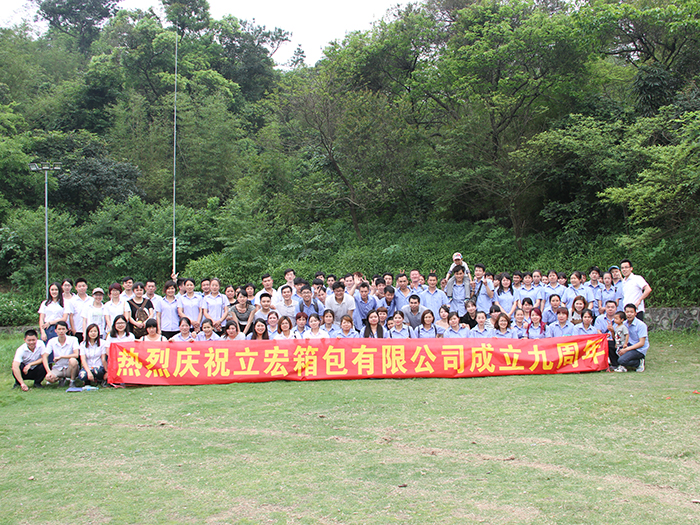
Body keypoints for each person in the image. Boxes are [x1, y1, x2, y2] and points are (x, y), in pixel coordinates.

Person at [614, 304, 649, 372]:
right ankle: (622, 365)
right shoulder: (624, 324)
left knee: (621, 360)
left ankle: (639, 363)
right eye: (627, 312)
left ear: (635, 313)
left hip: (639, 349)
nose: (629, 314)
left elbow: (641, 343)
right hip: (628, 345)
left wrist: (626, 349)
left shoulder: (641, 325)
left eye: (631, 312)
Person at [44, 321, 80, 388]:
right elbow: (45, 356)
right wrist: (48, 372)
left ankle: (72, 381)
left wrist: (61, 357)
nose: (61, 331)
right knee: (48, 378)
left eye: (63, 329)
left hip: (69, 368)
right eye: (59, 329)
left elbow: (76, 354)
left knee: (73, 361)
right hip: (58, 368)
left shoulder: (73, 339)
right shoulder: (52, 341)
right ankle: (60, 379)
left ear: (67, 330)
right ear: (55, 331)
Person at [595, 300, 620, 368]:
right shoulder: (599, 318)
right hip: (602, 340)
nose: (610, 309)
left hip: (616, 340)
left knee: (611, 344)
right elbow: (598, 331)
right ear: (605, 308)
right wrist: (604, 338)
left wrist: (612, 332)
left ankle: (615, 364)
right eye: (608, 307)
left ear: (616, 308)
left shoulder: (619, 319)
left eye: (612, 307)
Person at [68, 278, 91, 343]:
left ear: (86, 286)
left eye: (83, 286)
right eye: (79, 286)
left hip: (90, 330)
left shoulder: (91, 300)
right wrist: (73, 329)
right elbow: (71, 316)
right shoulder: (72, 301)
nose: (82, 288)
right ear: (76, 288)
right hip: (77, 330)